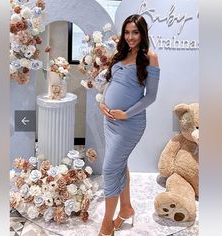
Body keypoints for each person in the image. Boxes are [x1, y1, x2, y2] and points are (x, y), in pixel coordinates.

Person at [98, 14, 160, 236]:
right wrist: (103, 104)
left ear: (142, 34)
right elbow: (111, 83)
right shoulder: (120, 55)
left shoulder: (150, 58)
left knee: (109, 169)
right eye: (127, 32)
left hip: (130, 124)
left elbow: (150, 97)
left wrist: (126, 114)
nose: (131, 36)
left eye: (135, 32)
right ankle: (126, 208)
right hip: (110, 121)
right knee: (119, 164)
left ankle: (106, 223)